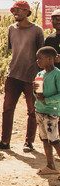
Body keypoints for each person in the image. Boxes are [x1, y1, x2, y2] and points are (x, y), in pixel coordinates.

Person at [0, 0, 45, 152]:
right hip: (13, 74)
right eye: (14, 10)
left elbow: (42, 54)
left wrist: (40, 77)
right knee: (7, 109)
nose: (16, 12)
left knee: (32, 110)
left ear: (27, 12)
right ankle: (5, 141)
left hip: (32, 76)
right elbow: (11, 51)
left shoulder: (37, 30)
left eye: (20, 10)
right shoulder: (11, 29)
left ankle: (29, 142)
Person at [34, 47, 60, 175]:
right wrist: (35, 91)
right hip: (40, 110)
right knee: (44, 139)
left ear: (50, 59)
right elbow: (38, 94)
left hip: (51, 111)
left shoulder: (57, 74)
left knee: (54, 140)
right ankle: (50, 165)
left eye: (40, 58)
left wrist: (46, 100)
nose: (37, 61)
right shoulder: (40, 74)